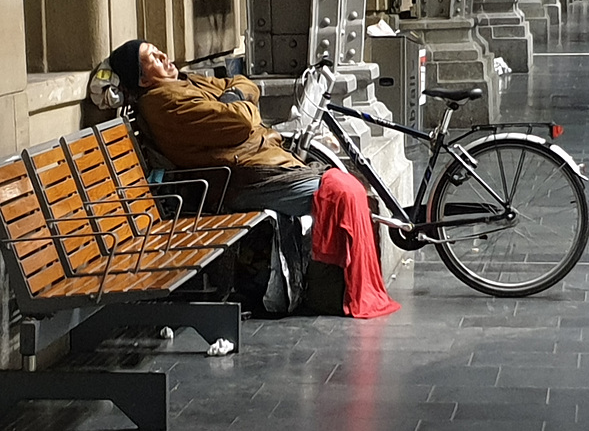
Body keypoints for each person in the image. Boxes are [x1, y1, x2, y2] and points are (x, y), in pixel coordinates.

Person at [108, 39, 400, 319]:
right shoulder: (164, 103)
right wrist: (237, 104)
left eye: (160, 51)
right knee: (342, 191)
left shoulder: (187, 81)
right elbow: (241, 122)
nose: (164, 57)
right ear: (144, 80)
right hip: (244, 178)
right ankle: (339, 292)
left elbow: (244, 84)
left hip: (263, 160)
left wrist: (233, 98)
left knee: (345, 187)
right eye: (153, 59)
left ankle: (339, 288)